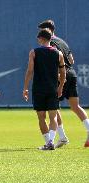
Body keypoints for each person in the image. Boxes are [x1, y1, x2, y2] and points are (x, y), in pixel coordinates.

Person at [38, 20, 89, 148]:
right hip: (71, 73)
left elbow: (55, 60)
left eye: (42, 31)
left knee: (53, 107)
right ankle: (86, 129)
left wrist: (59, 77)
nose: (40, 34)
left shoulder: (51, 44)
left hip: (61, 76)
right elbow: (71, 60)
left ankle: (59, 138)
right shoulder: (62, 42)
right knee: (75, 106)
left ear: (48, 31)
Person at [23, 29, 66, 150]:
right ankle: (51, 142)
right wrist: (60, 87)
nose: (37, 39)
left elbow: (30, 71)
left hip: (38, 89)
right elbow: (63, 73)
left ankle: (49, 142)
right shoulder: (59, 54)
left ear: (41, 38)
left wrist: (25, 88)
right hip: (52, 89)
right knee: (53, 117)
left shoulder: (34, 52)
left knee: (41, 117)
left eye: (38, 38)